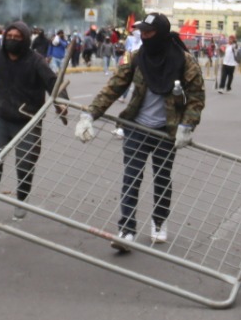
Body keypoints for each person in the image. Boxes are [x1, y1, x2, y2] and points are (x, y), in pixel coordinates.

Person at [77, 13, 206, 249]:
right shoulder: (135, 57)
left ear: (162, 33)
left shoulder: (185, 62)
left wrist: (187, 125)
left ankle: (159, 222)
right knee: (131, 177)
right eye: (142, 32)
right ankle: (126, 230)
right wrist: (90, 114)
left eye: (149, 32)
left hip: (166, 131)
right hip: (136, 127)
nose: (144, 36)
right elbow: (113, 87)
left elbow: (196, 96)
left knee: (162, 179)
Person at [0, 20, 63, 224]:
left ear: (25, 40)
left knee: (25, 164)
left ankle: (21, 200)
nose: (12, 40)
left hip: (29, 121)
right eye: (10, 37)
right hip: (3, 118)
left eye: (17, 38)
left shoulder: (36, 61)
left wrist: (62, 103)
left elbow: (53, 82)